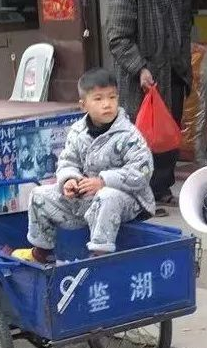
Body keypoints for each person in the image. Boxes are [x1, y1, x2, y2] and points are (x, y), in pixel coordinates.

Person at [13, 69, 154, 263]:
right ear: (83, 105)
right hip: (87, 199)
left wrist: (104, 181)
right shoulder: (77, 131)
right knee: (39, 195)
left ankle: (98, 257)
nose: (107, 104)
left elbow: (142, 172)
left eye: (112, 97)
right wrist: (69, 180)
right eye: (98, 99)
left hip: (126, 201)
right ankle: (41, 253)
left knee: (107, 196)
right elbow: (67, 161)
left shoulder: (129, 135)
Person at [106, 0, 192, 207]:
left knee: (167, 136)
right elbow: (117, 36)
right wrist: (139, 67)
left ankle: (161, 190)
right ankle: (140, 197)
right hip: (141, 79)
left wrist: (185, 66)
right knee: (142, 139)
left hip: (173, 72)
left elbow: (183, 24)